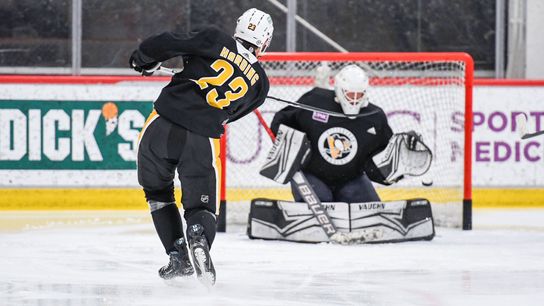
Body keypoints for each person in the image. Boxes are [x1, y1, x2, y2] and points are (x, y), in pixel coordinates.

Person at [130, 8, 273, 285]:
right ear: (264, 42)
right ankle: (197, 235)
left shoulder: (214, 38)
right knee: (201, 207)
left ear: (238, 28)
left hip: (159, 127)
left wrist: (143, 59)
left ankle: (177, 256)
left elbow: (167, 42)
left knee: (158, 194)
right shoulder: (260, 85)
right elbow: (230, 114)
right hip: (200, 138)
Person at [270, 64, 395, 204]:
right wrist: (290, 147)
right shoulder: (314, 100)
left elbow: (385, 154)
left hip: (352, 179)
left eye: (359, 94)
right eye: (349, 94)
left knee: (373, 211)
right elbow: (282, 120)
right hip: (311, 175)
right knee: (323, 203)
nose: (354, 99)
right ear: (339, 90)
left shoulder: (375, 117)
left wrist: (395, 167)